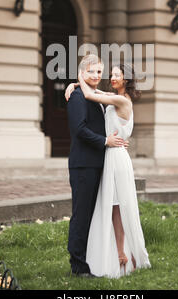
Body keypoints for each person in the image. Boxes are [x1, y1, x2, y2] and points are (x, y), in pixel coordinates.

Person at [65, 62, 151, 278]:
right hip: (110, 154)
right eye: (110, 74)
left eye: (116, 75)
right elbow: (96, 91)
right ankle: (116, 253)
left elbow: (93, 94)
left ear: (126, 79)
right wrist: (77, 84)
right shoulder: (114, 97)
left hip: (115, 156)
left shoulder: (120, 99)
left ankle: (124, 252)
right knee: (111, 205)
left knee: (117, 205)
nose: (111, 78)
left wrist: (78, 79)